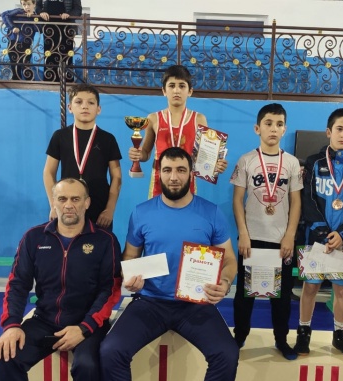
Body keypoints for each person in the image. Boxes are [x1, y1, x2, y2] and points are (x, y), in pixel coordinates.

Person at [95, 147, 238, 381]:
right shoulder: (142, 212)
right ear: (158, 173)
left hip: (195, 304)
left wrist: (224, 282)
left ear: (191, 173)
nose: (174, 177)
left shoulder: (211, 212)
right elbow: (129, 258)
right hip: (150, 302)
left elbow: (229, 260)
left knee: (226, 353)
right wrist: (131, 278)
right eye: (168, 170)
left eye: (181, 170)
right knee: (110, 350)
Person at [0, 178, 122, 381]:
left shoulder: (105, 240)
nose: (68, 205)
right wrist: (12, 325)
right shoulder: (34, 238)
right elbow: (17, 284)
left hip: (87, 323)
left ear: (87, 203)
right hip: (44, 320)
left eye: (76, 199)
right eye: (62, 199)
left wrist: (85, 328)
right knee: (4, 357)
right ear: (54, 202)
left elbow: (110, 290)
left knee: (87, 366)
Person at [294, 108, 343, 361]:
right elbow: (308, 199)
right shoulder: (314, 162)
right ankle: (303, 332)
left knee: (342, 291)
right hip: (316, 238)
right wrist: (324, 232)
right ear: (329, 132)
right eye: (339, 129)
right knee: (310, 287)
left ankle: (340, 335)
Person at [229, 103, 302, 360]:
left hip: (281, 240)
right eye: (268, 123)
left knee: (281, 297)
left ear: (284, 129)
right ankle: (239, 337)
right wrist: (243, 233)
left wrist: (290, 235)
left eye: (279, 124)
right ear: (257, 128)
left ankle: (281, 340)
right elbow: (237, 199)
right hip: (252, 238)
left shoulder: (292, 162)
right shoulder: (246, 160)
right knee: (245, 294)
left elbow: (296, 202)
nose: (273, 128)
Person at [127, 64, 227, 198]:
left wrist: (216, 165)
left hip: (186, 181)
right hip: (159, 181)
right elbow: (146, 153)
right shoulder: (154, 118)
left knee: (186, 211)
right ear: (164, 91)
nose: (176, 90)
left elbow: (206, 157)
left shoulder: (199, 119)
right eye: (172, 85)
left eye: (182, 86)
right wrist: (138, 154)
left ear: (190, 91)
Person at [43, 83, 122, 229]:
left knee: (99, 242)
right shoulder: (60, 136)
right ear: (70, 107)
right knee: (68, 242)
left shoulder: (108, 139)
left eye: (91, 103)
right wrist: (54, 205)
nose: (85, 106)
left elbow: (116, 176)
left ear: (98, 109)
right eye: (79, 102)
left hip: (99, 208)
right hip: (68, 205)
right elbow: (48, 172)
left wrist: (110, 209)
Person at [36, 0, 82, 82]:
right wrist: (41, 12)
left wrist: (69, 14)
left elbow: (78, 10)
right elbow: (37, 7)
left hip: (66, 28)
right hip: (49, 28)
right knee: (49, 55)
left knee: (66, 56)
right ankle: (49, 80)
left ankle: (66, 81)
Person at [1, 0, 38, 81]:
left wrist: (33, 17)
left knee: (26, 63)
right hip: (13, 41)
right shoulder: (19, 11)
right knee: (14, 63)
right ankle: (16, 80)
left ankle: (31, 82)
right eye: (24, 5)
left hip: (26, 43)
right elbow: (4, 14)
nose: (26, 7)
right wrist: (12, 27)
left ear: (34, 4)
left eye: (29, 4)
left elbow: (38, 29)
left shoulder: (36, 16)